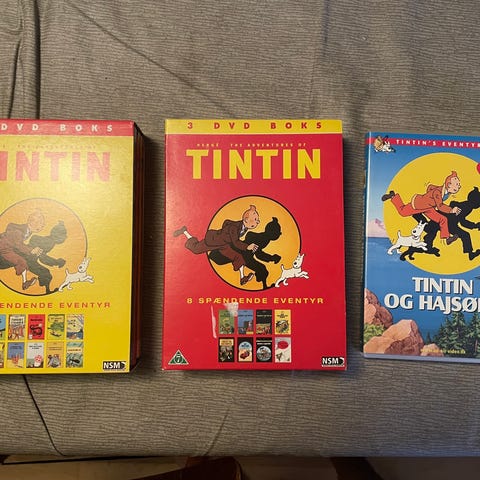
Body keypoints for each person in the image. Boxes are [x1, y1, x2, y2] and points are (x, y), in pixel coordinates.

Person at [174, 205, 260, 285]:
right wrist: (247, 246)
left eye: (257, 219)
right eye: (256, 219)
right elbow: (235, 242)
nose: (258, 221)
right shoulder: (234, 228)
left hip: (224, 244)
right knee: (196, 249)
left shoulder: (242, 227)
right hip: (215, 241)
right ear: (246, 220)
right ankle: (184, 231)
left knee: (237, 256)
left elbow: (226, 222)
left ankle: (242, 278)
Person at [382, 171, 461, 244]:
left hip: (429, 207)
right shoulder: (438, 192)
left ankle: (447, 238)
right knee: (403, 212)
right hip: (419, 204)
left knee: (443, 219)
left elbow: (430, 187)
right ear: (449, 184)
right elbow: (440, 206)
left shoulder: (444, 191)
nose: (459, 186)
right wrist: (451, 210)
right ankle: (393, 196)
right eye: (457, 184)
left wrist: (429, 198)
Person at [0, 209, 45, 290]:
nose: (42, 226)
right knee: (21, 261)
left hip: (10, 247)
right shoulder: (18, 231)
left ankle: (25, 282)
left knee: (22, 259)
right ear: (32, 223)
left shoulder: (28, 231)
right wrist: (31, 250)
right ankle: (25, 283)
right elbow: (18, 245)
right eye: (40, 224)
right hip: (4, 248)